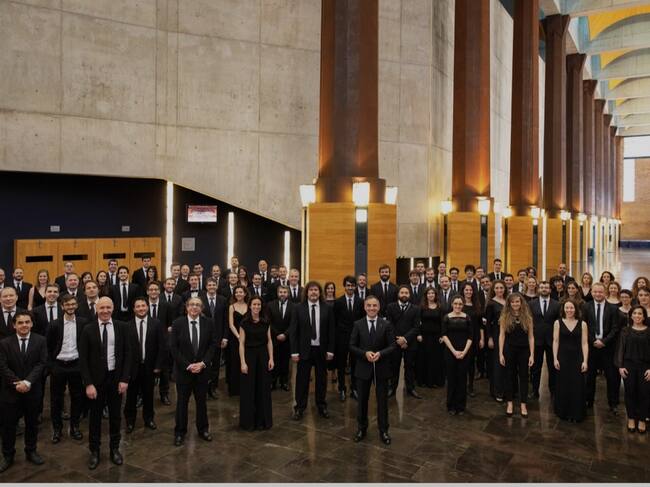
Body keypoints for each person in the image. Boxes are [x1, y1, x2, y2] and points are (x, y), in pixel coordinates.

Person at [79, 297, 131, 470]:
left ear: (113, 308)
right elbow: (83, 359)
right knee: (95, 418)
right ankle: (94, 451)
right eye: (102, 308)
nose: (105, 311)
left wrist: (124, 379)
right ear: (96, 309)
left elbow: (128, 354)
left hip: (116, 379)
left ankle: (114, 449)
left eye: (108, 307)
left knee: (116, 416)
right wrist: (88, 384)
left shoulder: (122, 327)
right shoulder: (88, 329)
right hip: (95, 382)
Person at [0, 311, 48, 473]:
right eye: (20, 323)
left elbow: (42, 363)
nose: (24, 325)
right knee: (8, 426)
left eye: (27, 322)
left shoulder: (40, 340)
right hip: (10, 392)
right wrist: (17, 383)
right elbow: (2, 366)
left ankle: (31, 451)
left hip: (32, 390)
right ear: (14, 325)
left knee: (32, 423)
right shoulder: (4, 343)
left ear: (32, 324)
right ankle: (8, 455)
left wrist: (27, 382)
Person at [170, 297, 216, 446]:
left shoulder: (209, 323)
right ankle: (179, 432)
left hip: (202, 371)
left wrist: (203, 363)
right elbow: (174, 348)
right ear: (186, 307)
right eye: (191, 305)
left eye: (197, 305)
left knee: (201, 402)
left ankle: (203, 429)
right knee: (182, 403)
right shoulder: (178, 323)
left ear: (201, 308)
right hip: (184, 371)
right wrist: (188, 365)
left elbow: (212, 345)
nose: (194, 307)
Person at [350, 295, 395, 445]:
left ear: (379, 307)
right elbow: (352, 346)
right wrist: (364, 354)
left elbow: (392, 346)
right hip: (363, 368)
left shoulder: (386, 324)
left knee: (382, 401)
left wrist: (381, 354)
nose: (371, 308)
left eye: (374, 305)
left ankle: (384, 430)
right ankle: (361, 429)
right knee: (362, 400)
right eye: (369, 305)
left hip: (381, 368)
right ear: (364, 307)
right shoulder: (358, 324)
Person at [289, 281, 335, 420]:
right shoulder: (298, 308)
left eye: (316, 290)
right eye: (311, 290)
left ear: (320, 293)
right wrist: (294, 352)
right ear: (307, 292)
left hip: (321, 350)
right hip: (304, 350)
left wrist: (330, 350)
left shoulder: (327, 308)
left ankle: (321, 406)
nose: (313, 292)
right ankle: (299, 408)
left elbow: (332, 331)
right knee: (302, 380)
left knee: (321, 380)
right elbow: (293, 332)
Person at [46, 294, 87, 443]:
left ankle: (75, 427)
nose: (70, 307)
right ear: (62, 306)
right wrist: (51, 366)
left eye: (73, 304)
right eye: (67, 305)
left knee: (77, 397)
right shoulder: (54, 324)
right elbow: (48, 346)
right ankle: (57, 429)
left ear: (76, 305)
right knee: (56, 399)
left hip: (76, 365)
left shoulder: (83, 323)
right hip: (58, 365)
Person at [124, 298, 164, 433]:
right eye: (138, 306)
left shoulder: (156, 324)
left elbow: (161, 346)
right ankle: (130, 421)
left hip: (150, 367)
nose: (141, 308)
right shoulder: (127, 326)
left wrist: (158, 365)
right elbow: (124, 349)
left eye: (143, 306)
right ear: (134, 309)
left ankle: (149, 418)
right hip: (132, 368)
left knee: (148, 395)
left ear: (147, 307)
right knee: (131, 396)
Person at [583, 282, 621, 413]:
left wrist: (604, 341)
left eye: (600, 292)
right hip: (591, 347)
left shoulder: (613, 309)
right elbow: (584, 326)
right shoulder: (586, 307)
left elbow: (615, 328)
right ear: (591, 292)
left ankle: (613, 403)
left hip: (608, 348)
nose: (598, 294)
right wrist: (593, 341)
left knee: (611, 377)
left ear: (605, 292)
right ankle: (588, 401)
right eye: (595, 292)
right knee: (590, 376)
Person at [238, 296, 273, 431]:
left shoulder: (266, 322)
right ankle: (249, 422)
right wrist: (243, 362)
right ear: (250, 306)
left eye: (259, 304)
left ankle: (262, 421)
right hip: (249, 356)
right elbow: (241, 344)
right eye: (254, 304)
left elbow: (269, 341)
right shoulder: (244, 323)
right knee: (249, 389)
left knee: (263, 388)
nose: (256, 307)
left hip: (263, 356)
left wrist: (271, 358)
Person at [552, 299, 588, 423]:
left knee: (577, 385)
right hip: (563, 357)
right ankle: (563, 411)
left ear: (576, 309)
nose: (569, 310)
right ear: (563, 309)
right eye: (567, 308)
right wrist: (555, 358)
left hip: (577, 358)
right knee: (563, 384)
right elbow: (555, 341)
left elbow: (584, 343)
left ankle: (576, 412)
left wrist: (585, 361)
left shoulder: (583, 324)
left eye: (571, 308)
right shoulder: (558, 322)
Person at [499, 293, 534, 417]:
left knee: (524, 377)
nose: (515, 304)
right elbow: (502, 336)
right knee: (509, 376)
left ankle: (523, 404)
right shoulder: (505, 316)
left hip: (524, 351)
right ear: (509, 303)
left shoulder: (527, 317)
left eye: (517, 301)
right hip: (509, 350)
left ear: (521, 302)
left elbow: (531, 337)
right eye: (513, 302)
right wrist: (500, 353)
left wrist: (532, 354)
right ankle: (510, 403)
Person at [616, 306, 650, 434]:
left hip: (645, 367)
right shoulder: (625, 331)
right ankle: (631, 418)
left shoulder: (649, 331)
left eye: (640, 313)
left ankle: (642, 419)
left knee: (644, 393)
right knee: (630, 392)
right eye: (634, 313)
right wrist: (620, 366)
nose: (637, 316)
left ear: (644, 316)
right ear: (631, 316)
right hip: (628, 366)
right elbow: (620, 348)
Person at [385, 286, 422, 398]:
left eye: (406, 292)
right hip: (395, 342)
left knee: (410, 366)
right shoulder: (390, 307)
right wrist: (399, 340)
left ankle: (410, 388)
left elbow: (416, 327)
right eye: (402, 292)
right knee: (394, 366)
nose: (404, 294)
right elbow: (389, 325)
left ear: (409, 295)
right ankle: (392, 388)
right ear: (398, 294)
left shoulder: (416, 309)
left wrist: (405, 339)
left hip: (410, 342)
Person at [333, 276, 364, 401]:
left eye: (352, 285)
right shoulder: (338, 302)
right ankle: (341, 388)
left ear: (355, 287)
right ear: (344, 286)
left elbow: (362, 320)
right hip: (341, 338)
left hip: (356, 338)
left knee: (355, 364)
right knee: (341, 364)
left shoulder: (360, 301)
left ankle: (354, 388)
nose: (350, 287)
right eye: (348, 285)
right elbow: (335, 321)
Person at [529, 281, 560, 399]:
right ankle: (534, 390)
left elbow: (559, 322)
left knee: (553, 367)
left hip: (552, 340)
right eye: (542, 287)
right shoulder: (531, 304)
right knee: (535, 367)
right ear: (538, 289)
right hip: (536, 340)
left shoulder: (557, 304)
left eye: (546, 287)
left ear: (550, 290)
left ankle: (553, 391)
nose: (544, 289)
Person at [441, 297, 473, 415]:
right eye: (456, 304)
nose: (458, 306)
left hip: (464, 352)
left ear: (463, 305)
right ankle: (451, 405)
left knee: (462, 379)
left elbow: (470, 336)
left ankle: (461, 406)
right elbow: (444, 335)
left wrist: (464, 352)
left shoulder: (467, 317)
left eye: (460, 304)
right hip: (450, 352)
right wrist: (454, 351)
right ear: (452, 304)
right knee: (451, 379)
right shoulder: (446, 317)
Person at [200, 278, 228, 399]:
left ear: (216, 286)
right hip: (203, 338)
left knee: (216, 365)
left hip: (218, 337)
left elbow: (226, 320)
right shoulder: (200, 299)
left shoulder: (223, 300)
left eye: (213, 285)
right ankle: (203, 388)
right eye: (209, 285)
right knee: (204, 364)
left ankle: (213, 388)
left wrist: (225, 337)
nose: (211, 287)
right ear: (206, 287)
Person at [416, 287, 444, 388]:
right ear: (426, 295)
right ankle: (424, 381)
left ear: (435, 295)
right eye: (429, 293)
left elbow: (442, 323)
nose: (431, 295)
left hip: (437, 337)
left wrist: (442, 336)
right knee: (424, 359)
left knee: (435, 359)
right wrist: (418, 334)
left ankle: (435, 381)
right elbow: (417, 322)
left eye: (432, 293)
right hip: (424, 337)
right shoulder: (421, 307)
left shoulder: (440, 307)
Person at [267, 285, 294, 391]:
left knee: (285, 362)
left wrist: (285, 334)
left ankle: (284, 382)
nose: (282, 294)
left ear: (288, 293)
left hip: (287, 339)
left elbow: (293, 324)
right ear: (277, 293)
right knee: (274, 360)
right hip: (274, 339)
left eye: (284, 292)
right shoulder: (270, 305)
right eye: (280, 292)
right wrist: (277, 334)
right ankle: (273, 382)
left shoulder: (294, 306)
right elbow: (268, 322)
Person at [485, 280, 506, 401]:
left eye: (501, 288)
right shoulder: (491, 303)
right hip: (496, 334)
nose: (499, 290)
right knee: (497, 364)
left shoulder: (508, 301)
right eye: (497, 288)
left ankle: (507, 390)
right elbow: (488, 323)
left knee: (506, 362)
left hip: (508, 335)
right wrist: (490, 338)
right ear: (493, 289)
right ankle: (497, 391)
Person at [460, 282, 482, 397]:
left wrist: (481, 339)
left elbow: (480, 324)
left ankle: (471, 386)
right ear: (463, 291)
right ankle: (461, 385)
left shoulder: (477, 304)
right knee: (462, 362)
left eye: (470, 290)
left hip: (474, 337)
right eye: (466, 290)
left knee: (471, 363)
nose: (468, 292)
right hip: (461, 337)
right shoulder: (459, 304)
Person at [227, 286, 248, 397]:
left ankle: (246, 387)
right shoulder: (232, 307)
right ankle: (235, 389)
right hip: (235, 338)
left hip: (248, 338)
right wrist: (239, 336)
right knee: (235, 362)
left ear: (245, 294)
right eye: (236, 292)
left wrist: (246, 336)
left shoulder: (249, 306)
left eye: (241, 292)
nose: (238, 294)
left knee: (246, 361)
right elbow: (231, 324)